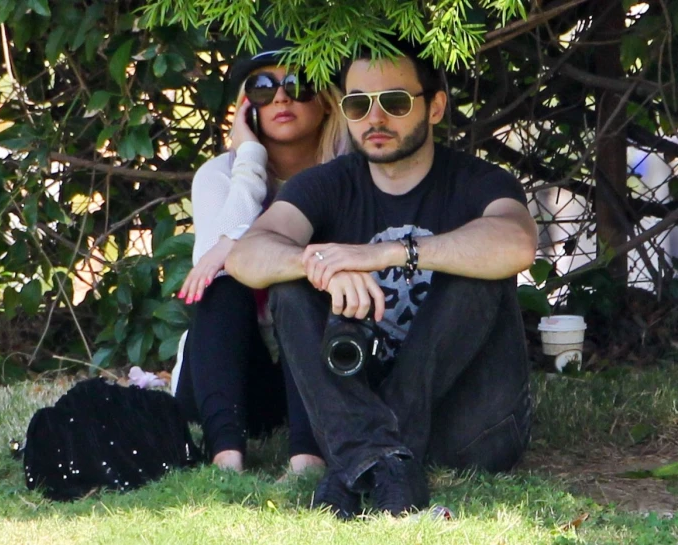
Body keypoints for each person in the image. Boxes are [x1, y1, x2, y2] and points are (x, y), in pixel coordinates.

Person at [225, 38, 538, 518]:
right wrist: (322, 266)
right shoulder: (328, 184)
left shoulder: (479, 181)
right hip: (361, 408)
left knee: (479, 271)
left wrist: (383, 254)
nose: (375, 119)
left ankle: (363, 457)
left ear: (434, 108)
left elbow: (516, 243)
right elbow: (246, 256)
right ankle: (384, 460)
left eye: (394, 102)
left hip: (470, 430)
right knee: (290, 286)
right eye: (358, 104)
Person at [173, 35, 351, 475]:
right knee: (225, 284)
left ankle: (307, 459)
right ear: (247, 108)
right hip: (229, 376)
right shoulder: (218, 175)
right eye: (262, 89)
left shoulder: (351, 175)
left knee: (298, 282)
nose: (282, 97)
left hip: (318, 371)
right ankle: (225, 458)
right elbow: (211, 269)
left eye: (298, 82)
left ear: (327, 101)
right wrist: (249, 160)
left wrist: (238, 244)